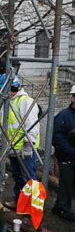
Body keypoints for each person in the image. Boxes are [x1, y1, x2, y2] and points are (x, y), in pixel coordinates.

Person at [3, 76, 40, 208]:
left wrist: (28, 145)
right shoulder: (9, 101)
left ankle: (32, 207)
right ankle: (19, 202)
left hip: (25, 149)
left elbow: (31, 125)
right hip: (13, 148)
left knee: (28, 179)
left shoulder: (26, 102)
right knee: (18, 177)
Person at [51, 85, 75, 221]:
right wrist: (71, 151)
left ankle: (59, 207)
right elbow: (57, 138)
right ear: (72, 98)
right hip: (67, 158)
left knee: (69, 186)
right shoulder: (64, 116)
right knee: (66, 185)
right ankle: (63, 210)